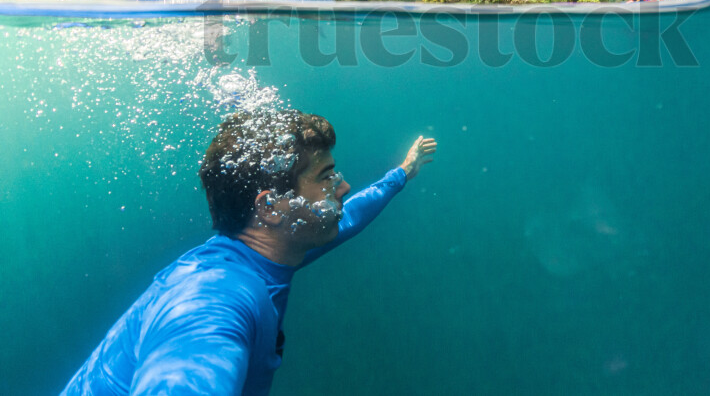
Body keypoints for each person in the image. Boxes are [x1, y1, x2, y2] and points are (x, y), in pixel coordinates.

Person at [60, 109, 437, 396]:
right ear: (270, 207)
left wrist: (402, 172)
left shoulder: (264, 258)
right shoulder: (217, 294)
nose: (343, 188)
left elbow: (347, 216)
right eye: (326, 177)